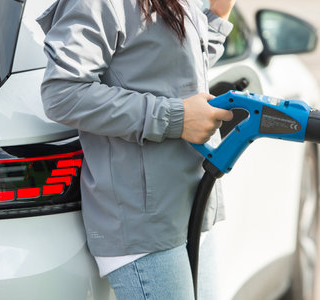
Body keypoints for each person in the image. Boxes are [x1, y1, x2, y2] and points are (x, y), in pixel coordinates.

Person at [37, 0, 235, 298]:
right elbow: (62, 92)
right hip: (143, 225)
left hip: (190, 204)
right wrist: (175, 117)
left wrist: (217, 18)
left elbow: (165, 70)